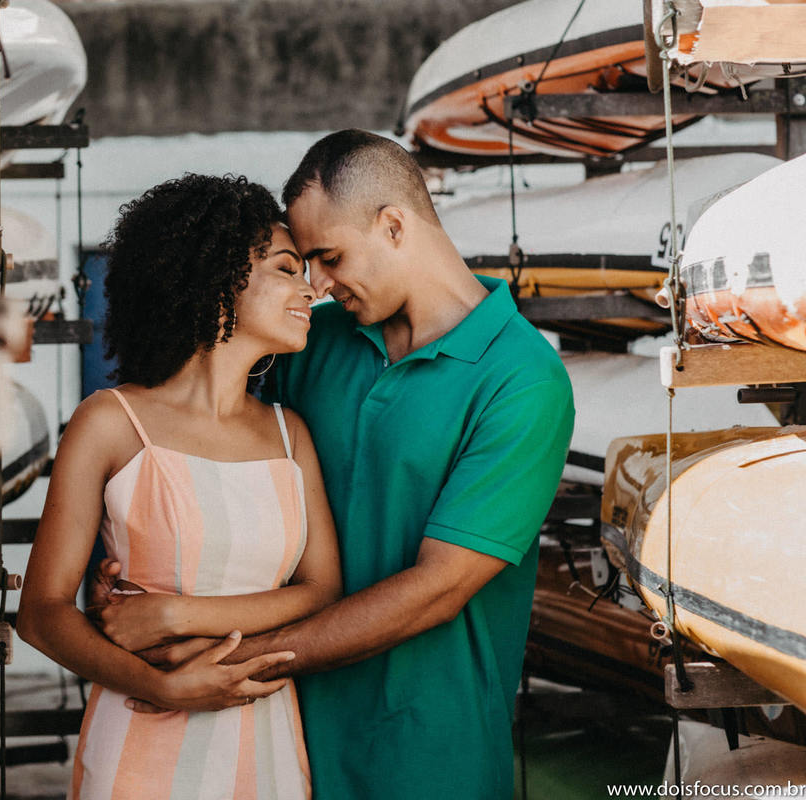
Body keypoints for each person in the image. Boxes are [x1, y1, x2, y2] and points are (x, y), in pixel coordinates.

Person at [93, 130, 575, 798]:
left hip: (428, 748)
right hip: (274, 738)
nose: (316, 283)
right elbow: (202, 462)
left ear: (394, 226)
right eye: (302, 262)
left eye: (329, 256)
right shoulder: (309, 343)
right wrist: (136, 573)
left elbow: (438, 588)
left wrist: (222, 661)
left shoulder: (523, 380)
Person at [17, 173, 343, 800]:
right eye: (286, 269)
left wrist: (176, 614)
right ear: (218, 282)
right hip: (141, 740)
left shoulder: (289, 433)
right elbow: (41, 611)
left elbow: (322, 590)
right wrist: (163, 687)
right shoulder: (110, 422)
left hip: (265, 745)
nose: (310, 289)